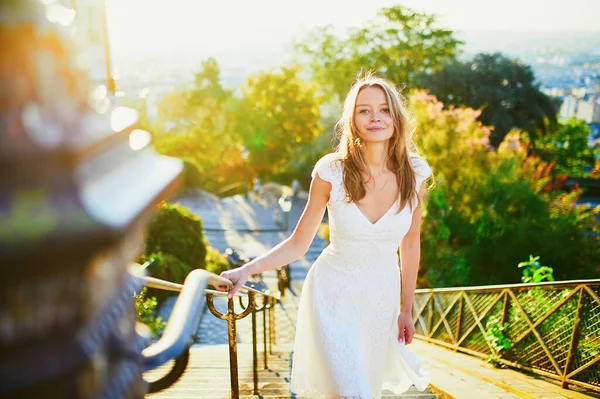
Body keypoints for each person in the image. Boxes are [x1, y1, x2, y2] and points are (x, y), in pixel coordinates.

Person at [216, 73, 432, 399]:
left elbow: (411, 243)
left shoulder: (415, 173)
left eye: (384, 109)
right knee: (352, 391)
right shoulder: (332, 171)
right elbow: (298, 242)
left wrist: (406, 307)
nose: (375, 117)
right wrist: (246, 270)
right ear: (352, 120)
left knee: (363, 388)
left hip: (380, 299)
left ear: (396, 117)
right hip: (333, 294)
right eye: (364, 110)